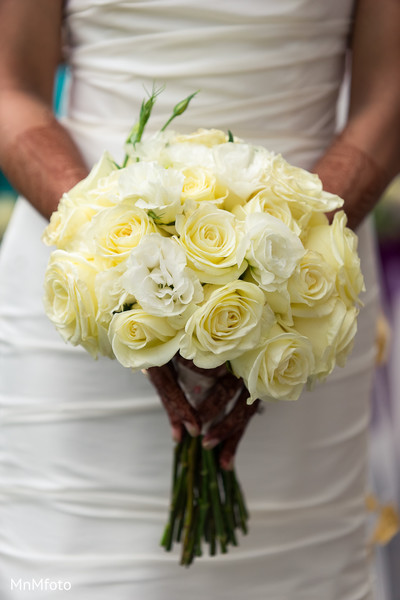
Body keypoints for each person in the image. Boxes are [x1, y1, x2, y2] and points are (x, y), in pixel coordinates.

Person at [0, 1, 399, 598]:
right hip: (83, 288)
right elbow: (11, 85)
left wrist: (283, 273)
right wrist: (115, 264)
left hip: (307, 292)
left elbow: (387, 93)